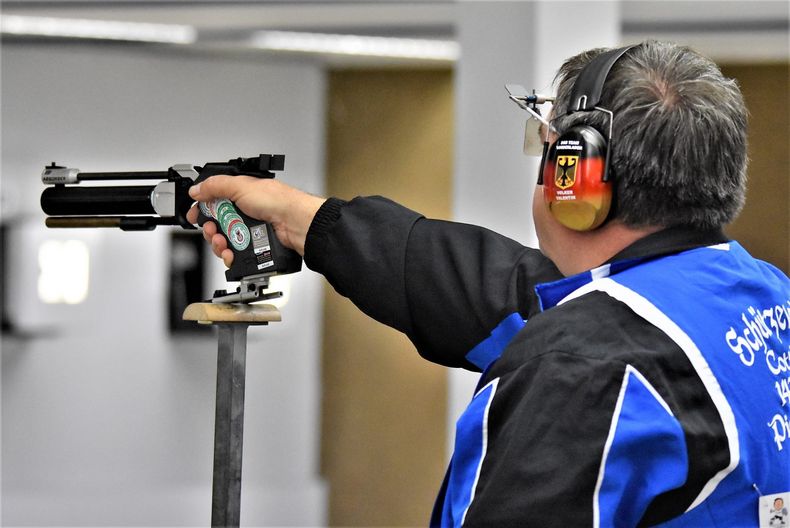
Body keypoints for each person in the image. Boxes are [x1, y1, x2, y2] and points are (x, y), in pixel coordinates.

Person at [187, 40, 790, 527]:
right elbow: (494, 288)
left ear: (576, 179)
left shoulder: (580, 367)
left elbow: (571, 344)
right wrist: (308, 221)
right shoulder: (759, 294)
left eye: (548, 149)